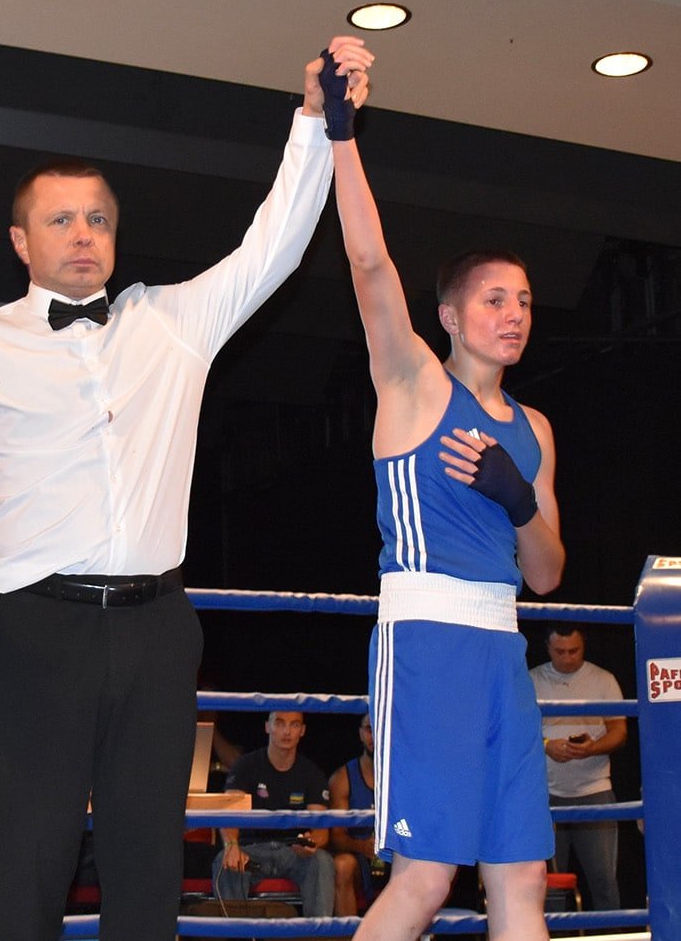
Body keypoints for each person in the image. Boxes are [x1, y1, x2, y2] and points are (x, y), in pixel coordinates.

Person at [0, 37, 373, 941]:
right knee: (29, 870)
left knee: (146, 873)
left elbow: (276, 244)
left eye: (96, 219)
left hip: (155, 630)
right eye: (61, 220)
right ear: (22, 241)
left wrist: (313, 122)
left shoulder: (173, 323)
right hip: (33, 630)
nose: (83, 234)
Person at [326, 53, 566, 941]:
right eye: (495, 300)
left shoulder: (535, 429)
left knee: (522, 879)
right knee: (425, 879)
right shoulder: (415, 385)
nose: (515, 314)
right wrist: (341, 135)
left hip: (503, 651)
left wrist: (518, 499)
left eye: (525, 301)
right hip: (427, 644)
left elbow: (547, 574)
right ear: (453, 317)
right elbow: (368, 263)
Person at [530, 624, 626, 910]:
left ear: (584, 646)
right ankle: (552, 933)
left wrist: (591, 748)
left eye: (574, 651)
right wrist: (547, 744)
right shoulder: (531, 679)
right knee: (549, 885)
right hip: (546, 793)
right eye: (560, 651)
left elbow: (619, 731)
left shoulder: (603, 679)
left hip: (594, 789)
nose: (568, 658)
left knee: (604, 881)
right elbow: (514, 729)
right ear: (548, 648)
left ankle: (612, 933)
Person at [213, 711, 333, 916]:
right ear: (267, 727)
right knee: (226, 861)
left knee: (322, 861)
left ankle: (317, 932)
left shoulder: (312, 773)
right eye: (279, 723)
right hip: (251, 850)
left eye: (294, 724)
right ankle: (234, 931)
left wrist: (311, 843)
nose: (286, 731)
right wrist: (231, 845)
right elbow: (229, 812)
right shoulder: (246, 765)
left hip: (293, 852)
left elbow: (321, 830)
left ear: (302, 731)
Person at [328, 715, 386, 915]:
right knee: (343, 865)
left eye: (381, 728)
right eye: (369, 729)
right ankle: (349, 932)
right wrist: (363, 846)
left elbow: (415, 826)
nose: (375, 736)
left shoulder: (406, 776)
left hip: (396, 856)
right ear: (360, 733)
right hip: (360, 860)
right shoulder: (342, 778)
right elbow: (336, 837)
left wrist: (394, 842)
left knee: (430, 861)